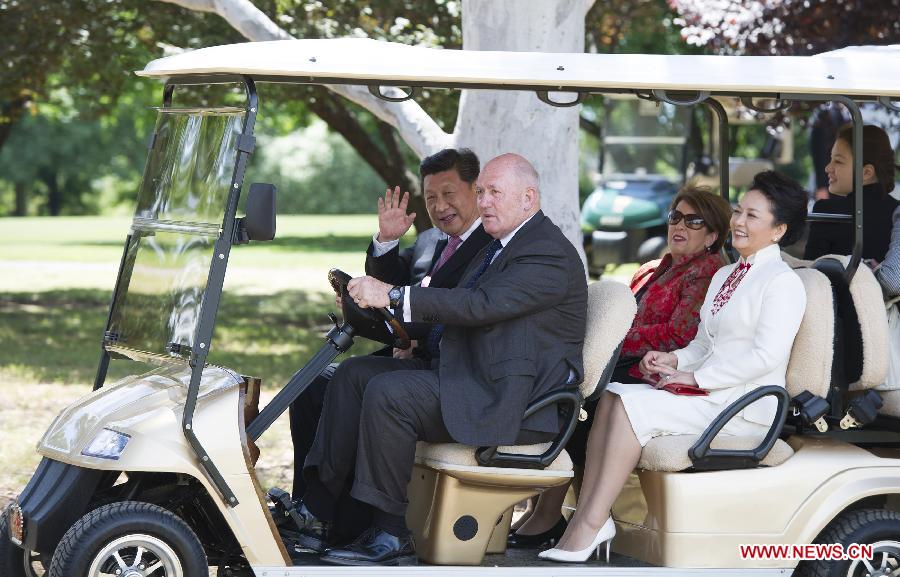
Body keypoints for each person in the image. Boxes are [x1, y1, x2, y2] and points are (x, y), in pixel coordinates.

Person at [289, 153, 588, 566]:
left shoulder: (546, 253)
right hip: (473, 376)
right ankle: (319, 510)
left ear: (528, 197)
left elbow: (480, 305)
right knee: (355, 373)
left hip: (513, 401)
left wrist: (393, 296)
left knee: (391, 392)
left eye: (494, 193)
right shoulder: (502, 245)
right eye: (481, 191)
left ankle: (391, 531)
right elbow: (453, 307)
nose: (483, 202)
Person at [540, 171, 807, 563]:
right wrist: (672, 359)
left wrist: (696, 376)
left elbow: (765, 357)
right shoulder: (726, 275)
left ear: (779, 229)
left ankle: (590, 523)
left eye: (753, 216)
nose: (738, 222)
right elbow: (703, 342)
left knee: (632, 404)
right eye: (738, 211)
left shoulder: (782, 283)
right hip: (711, 393)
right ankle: (591, 518)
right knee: (615, 394)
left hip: (744, 406)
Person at [508, 185, 732, 548]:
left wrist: (614, 341)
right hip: (624, 360)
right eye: (675, 216)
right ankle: (547, 508)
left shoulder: (706, 272)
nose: (680, 225)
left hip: (658, 368)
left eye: (694, 221)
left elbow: (680, 332)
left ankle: (557, 514)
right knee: (563, 389)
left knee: (582, 402)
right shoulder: (654, 268)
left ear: (712, 235)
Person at [287, 148, 491, 540]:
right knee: (312, 385)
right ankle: (311, 507)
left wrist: (410, 330)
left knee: (361, 382)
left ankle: (344, 518)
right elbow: (396, 283)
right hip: (409, 350)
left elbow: (450, 306)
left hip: (444, 365)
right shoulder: (433, 241)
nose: (440, 206)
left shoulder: (489, 246)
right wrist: (385, 242)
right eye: (431, 198)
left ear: (476, 190)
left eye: (449, 194)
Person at [804, 125, 900, 295]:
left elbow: (810, 279)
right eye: (830, 159)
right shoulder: (896, 211)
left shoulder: (827, 210)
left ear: (866, 172)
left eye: (838, 161)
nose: (828, 168)